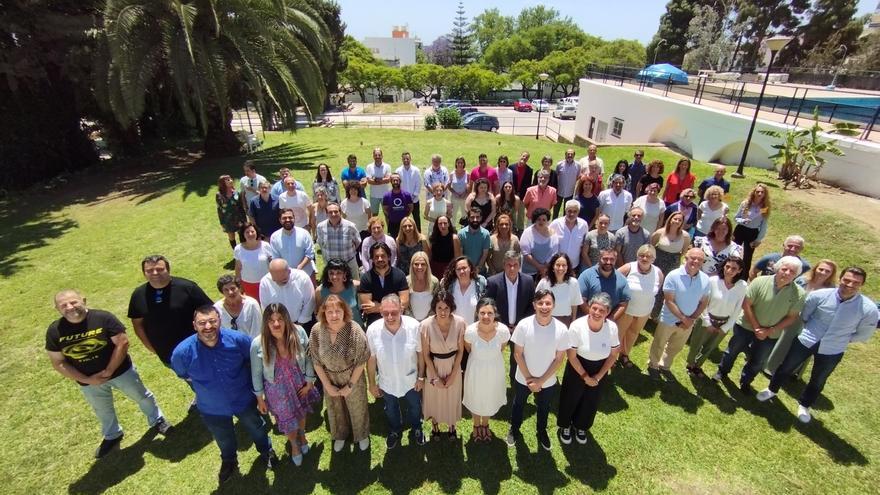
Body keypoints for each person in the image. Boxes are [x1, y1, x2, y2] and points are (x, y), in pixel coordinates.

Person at [47, 290, 171, 459]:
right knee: (102, 410)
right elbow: (58, 362)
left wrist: (109, 370)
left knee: (142, 396)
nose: (70, 307)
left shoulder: (102, 318)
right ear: (57, 309)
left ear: (83, 300)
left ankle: (157, 420)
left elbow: (122, 343)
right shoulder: (55, 331)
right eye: (64, 305)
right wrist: (87, 379)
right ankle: (112, 435)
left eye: (74, 302)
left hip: (121, 372)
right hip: (89, 381)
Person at [171, 305, 278, 483]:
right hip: (212, 407)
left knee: (257, 427)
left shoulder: (239, 340)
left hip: (243, 399)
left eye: (212, 321)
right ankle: (229, 460)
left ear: (220, 320)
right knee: (223, 437)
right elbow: (183, 374)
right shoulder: (182, 353)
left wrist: (258, 393)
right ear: (194, 325)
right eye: (202, 323)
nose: (208, 327)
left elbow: (251, 363)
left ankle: (266, 451)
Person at [757, 267, 879, 423]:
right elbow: (806, 315)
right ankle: (772, 389)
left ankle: (804, 405)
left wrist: (844, 339)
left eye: (855, 283)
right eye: (846, 280)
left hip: (834, 349)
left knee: (819, 379)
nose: (849, 285)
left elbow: (864, 333)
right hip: (807, 339)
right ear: (840, 279)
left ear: (861, 284)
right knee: (786, 366)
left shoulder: (868, 309)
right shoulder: (819, 295)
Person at [713, 256, 806, 394]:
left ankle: (746, 382)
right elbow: (747, 304)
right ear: (777, 268)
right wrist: (757, 327)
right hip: (745, 326)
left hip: (771, 334)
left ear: (796, 275)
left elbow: (792, 317)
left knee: (758, 361)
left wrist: (770, 330)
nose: (787, 273)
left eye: (792, 272)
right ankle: (722, 372)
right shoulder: (759, 281)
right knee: (731, 351)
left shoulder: (799, 293)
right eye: (784, 269)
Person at [250, 303, 320, 466]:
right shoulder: (257, 344)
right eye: (271, 320)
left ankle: (302, 435)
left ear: (286, 319)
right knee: (287, 419)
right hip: (276, 389)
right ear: (266, 323)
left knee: (301, 413)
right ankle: (294, 444)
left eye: (280, 319)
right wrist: (260, 398)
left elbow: (309, 358)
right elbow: (256, 373)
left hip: (298, 382)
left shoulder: (299, 332)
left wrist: (309, 381)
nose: (276, 324)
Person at [506, 289, 569, 451]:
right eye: (540, 303)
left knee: (544, 407)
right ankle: (514, 429)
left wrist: (540, 381)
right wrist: (529, 379)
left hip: (547, 381)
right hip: (523, 378)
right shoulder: (524, 325)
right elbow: (518, 354)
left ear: (554, 305)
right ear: (534, 305)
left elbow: (559, 358)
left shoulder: (562, 329)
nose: (544, 306)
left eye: (548, 303)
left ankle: (541, 432)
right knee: (518, 404)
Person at [557, 293, 620, 446]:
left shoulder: (612, 328)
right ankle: (565, 426)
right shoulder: (577, 326)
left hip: (600, 368)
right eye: (594, 308)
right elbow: (571, 356)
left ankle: (581, 426)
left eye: (602, 310)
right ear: (589, 308)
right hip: (577, 367)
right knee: (570, 398)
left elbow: (613, 355)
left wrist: (598, 377)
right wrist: (585, 376)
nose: (597, 313)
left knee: (591, 400)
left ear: (608, 312)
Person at [128, 255, 213, 369]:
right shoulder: (138, 295)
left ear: (168, 269)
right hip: (168, 354)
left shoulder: (187, 287)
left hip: (199, 348)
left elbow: (209, 311)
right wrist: (150, 347)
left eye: (160, 269)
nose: (155, 273)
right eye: (149, 271)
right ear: (144, 273)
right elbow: (137, 323)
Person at [310, 295, 370, 452]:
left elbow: (362, 360)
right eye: (329, 312)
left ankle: (361, 434)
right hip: (329, 377)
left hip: (352, 376)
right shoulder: (317, 330)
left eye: (338, 311)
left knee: (358, 407)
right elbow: (316, 361)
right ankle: (340, 434)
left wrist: (350, 385)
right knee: (335, 407)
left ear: (345, 311)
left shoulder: (354, 330)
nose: (334, 315)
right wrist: (327, 385)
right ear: (324, 313)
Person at [366, 295, 426, 448]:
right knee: (390, 408)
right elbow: (371, 359)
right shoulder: (373, 330)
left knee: (415, 406)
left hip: (410, 379)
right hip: (387, 381)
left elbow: (420, 353)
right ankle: (395, 430)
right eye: (385, 313)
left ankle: (417, 428)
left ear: (401, 309)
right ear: (380, 311)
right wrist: (372, 384)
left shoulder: (414, 326)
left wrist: (421, 377)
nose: (390, 317)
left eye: (394, 312)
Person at [764, 259, 837, 376]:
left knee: (801, 347)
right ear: (815, 269)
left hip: (811, 322)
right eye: (821, 269)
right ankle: (770, 367)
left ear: (831, 274)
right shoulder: (802, 281)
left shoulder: (832, 290)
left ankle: (792, 371)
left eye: (827, 271)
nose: (823, 273)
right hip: (792, 317)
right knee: (783, 342)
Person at [647, 248, 711, 381]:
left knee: (676, 346)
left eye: (700, 259)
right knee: (659, 342)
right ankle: (653, 365)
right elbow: (669, 300)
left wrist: (691, 319)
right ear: (686, 258)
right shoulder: (673, 275)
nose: (696, 261)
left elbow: (704, 302)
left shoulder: (705, 279)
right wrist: (683, 318)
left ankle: (665, 365)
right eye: (693, 258)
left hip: (689, 322)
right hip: (669, 318)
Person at [684, 257, 748, 378]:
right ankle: (690, 364)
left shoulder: (742, 286)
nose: (729, 270)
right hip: (706, 319)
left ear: (739, 270)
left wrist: (726, 327)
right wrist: (708, 322)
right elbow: (703, 303)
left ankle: (698, 366)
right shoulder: (713, 281)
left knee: (710, 347)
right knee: (696, 344)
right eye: (727, 267)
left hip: (724, 322)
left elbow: (738, 308)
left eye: (734, 268)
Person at [420, 290, 466, 440]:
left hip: (454, 364)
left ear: (451, 307)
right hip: (434, 366)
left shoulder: (460, 323)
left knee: (452, 396)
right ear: (434, 308)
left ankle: (452, 426)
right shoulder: (426, 325)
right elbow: (426, 355)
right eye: (439, 308)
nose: (443, 311)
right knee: (434, 397)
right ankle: (435, 426)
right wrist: (434, 377)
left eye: (446, 308)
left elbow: (460, 351)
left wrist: (453, 375)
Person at [462, 298, 510, 442]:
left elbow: (502, 347)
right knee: (475, 396)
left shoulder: (503, 331)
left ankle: (485, 424)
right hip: (476, 370)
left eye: (490, 313)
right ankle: (476, 425)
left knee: (490, 396)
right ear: (477, 313)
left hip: (495, 369)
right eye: (482, 312)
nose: (486, 317)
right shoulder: (470, 331)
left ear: (495, 313)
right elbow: (468, 348)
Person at [485, 251, 537, 381]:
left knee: (518, 357)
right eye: (509, 265)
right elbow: (489, 307)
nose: (512, 268)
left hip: (520, 328)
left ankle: (515, 379)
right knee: (494, 355)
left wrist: (520, 326)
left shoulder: (528, 281)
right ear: (504, 265)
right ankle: (492, 379)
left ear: (520, 265)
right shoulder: (493, 282)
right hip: (498, 327)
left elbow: (531, 307)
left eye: (515, 264)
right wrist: (501, 325)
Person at [616, 245, 664, 368]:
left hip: (644, 311)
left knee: (633, 333)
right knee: (618, 334)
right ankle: (611, 357)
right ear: (637, 256)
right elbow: (613, 280)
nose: (644, 258)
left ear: (653, 259)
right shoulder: (628, 268)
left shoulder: (658, 272)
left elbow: (657, 289)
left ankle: (624, 355)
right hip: (626, 309)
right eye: (642, 255)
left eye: (648, 256)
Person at [358, 242, 410, 326]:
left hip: (397, 322)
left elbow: (404, 303)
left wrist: (376, 307)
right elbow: (367, 306)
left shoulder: (400, 275)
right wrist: (394, 307)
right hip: (374, 323)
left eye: (383, 256)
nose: (380, 259)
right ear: (372, 259)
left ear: (389, 257)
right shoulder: (366, 278)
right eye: (376, 257)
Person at [650, 212, 692, 315]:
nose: (677, 221)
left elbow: (684, 251)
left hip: (673, 263)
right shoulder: (660, 232)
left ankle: (655, 314)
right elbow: (651, 245)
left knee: (666, 288)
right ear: (670, 219)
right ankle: (647, 310)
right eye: (675, 219)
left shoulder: (685, 236)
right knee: (655, 285)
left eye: (680, 220)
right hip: (658, 262)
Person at [258, 259, 315, 329]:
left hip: (302, 323)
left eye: (284, 280)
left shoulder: (302, 278)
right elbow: (266, 307)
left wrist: (300, 325)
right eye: (276, 281)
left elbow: (309, 302)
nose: (280, 283)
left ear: (289, 271)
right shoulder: (265, 282)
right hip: (278, 325)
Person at [577, 249, 630, 321]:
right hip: (587, 320)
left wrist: (608, 321)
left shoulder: (622, 280)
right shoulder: (586, 276)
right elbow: (581, 300)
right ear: (599, 258)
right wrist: (595, 318)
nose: (608, 262)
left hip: (609, 323)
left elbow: (623, 304)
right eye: (605, 259)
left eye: (612, 259)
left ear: (616, 260)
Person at [536, 253, 583, 326]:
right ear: (553, 267)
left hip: (566, 321)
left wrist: (573, 321)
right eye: (558, 265)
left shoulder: (574, 283)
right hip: (546, 321)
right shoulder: (544, 283)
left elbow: (574, 304)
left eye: (564, 265)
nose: (561, 268)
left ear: (567, 267)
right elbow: (537, 303)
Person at [316, 202, 361, 278]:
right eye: (330, 212)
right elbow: (321, 243)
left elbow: (357, 242)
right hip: (331, 267)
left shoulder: (350, 226)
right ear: (326, 214)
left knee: (354, 287)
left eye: (336, 211)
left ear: (340, 212)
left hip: (349, 264)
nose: (333, 214)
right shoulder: (320, 227)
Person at [733, 183, 771, 270]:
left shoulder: (764, 207)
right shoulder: (746, 203)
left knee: (747, 256)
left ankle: (744, 277)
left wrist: (758, 240)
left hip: (752, 232)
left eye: (762, 192)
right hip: (740, 230)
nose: (760, 194)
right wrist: (743, 221)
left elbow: (764, 225)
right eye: (758, 191)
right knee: (734, 252)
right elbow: (736, 218)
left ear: (765, 194)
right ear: (754, 192)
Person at [316, 258, 363, 328]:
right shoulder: (320, 291)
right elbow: (318, 313)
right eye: (331, 273)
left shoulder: (355, 286)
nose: (334, 276)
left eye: (339, 273)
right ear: (327, 275)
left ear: (345, 274)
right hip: (332, 331)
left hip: (355, 329)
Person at [269, 208, 316, 278]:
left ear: (294, 218)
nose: (287, 220)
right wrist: (286, 270)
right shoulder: (274, 237)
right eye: (284, 218)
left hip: (306, 273)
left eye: (290, 217)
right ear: (280, 220)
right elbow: (275, 257)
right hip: (286, 275)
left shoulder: (304, 233)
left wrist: (300, 267)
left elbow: (310, 253)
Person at [441, 256, 487, 325]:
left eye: (464, 268)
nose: (461, 271)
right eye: (458, 269)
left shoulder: (481, 283)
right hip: (454, 329)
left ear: (470, 268)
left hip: (475, 330)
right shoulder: (449, 285)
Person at [233, 223, 274, 301]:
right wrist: (239, 285)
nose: (250, 234)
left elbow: (272, 263)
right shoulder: (238, 249)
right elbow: (238, 268)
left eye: (252, 231)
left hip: (266, 282)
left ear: (256, 232)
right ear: (243, 235)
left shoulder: (265, 245)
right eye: (247, 232)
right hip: (248, 284)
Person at [550, 200, 589, 274]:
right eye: (569, 211)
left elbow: (584, 244)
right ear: (565, 210)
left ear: (578, 212)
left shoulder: (583, 225)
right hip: (557, 265)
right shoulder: (555, 224)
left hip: (573, 266)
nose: (572, 214)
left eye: (575, 211)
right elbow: (548, 242)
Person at [342, 182, 373, 259]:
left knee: (365, 252)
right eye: (351, 189)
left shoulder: (364, 202)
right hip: (350, 232)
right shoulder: (343, 203)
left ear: (358, 190)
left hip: (364, 231)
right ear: (348, 191)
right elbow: (343, 218)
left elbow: (370, 216)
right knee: (354, 254)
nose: (353, 191)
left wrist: (370, 228)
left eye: (355, 189)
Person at [216, 174, 247, 251]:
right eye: (228, 180)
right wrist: (222, 222)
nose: (231, 181)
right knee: (231, 235)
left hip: (239, 218)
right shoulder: (219, 195)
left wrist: (244, 219)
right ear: (223, 183)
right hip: (227, 220)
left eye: (231, 179)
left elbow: (241, 206)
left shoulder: (236, 193)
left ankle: (244, 250)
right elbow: (219, 209)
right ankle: (236, 251)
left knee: (242, 234)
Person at [407, 251, 439, 320]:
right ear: (412, 265)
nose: (419, 267)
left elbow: (437, 303)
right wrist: (412, 320)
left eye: (423, 264)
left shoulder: (434, 282)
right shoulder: (406, 281)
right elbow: (405, 306)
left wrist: (427, 321)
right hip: (411, 322)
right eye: (416, 264)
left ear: (427, 265)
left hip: (429, 322)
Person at [458, 208, 491, 272]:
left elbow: (485, 255)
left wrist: (477, 269)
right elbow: (460, 254)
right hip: (465, 270)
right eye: (472, 217)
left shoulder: (486, 234)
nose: (475, 220)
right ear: (468, 218)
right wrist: (467, 268)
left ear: (481, 218)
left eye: (477, 217)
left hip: (480, 270)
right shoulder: (461, 234)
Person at [396, 151, 422, 231]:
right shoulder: (398, 171)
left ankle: (419, 235)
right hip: (403, 200)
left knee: (416, 218)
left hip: (414, 200)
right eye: (404, 159)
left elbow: (419, 183)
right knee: (403, 219)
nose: (406, 160)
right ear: (402, 160)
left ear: (410, 159)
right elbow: (397, 185)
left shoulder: (416, 170)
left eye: (407, 158)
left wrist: (414, 195)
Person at [382, 173, 414, 238]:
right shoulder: (386, 196)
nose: (395, 182)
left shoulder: (406, 194)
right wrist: (390, 216)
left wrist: (406, 216)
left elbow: (411, 207)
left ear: (400, 181)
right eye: (393, 180)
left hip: (404, 223)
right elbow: (385, 209)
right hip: (392, 223)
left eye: (397, 180)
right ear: (391, 182)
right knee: (393, 241)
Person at [555, 148, 581, 219]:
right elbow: (556, 176)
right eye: (568, 154)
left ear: (574, 155)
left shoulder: (578, 165)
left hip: (570, 192)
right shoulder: (559, 164)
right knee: (555, 210)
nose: (570, 155)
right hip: (559, 191)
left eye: (571, 154)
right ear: (565, 155)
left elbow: (578, 177)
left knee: (567, 210)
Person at [366, 148, 392, 215]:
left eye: (379, 155)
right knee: (374, 214)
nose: (377, 157)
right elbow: (369, 181)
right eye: (376, 155)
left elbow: (388, 180)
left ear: (382, 156)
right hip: (374, 195)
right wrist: (382, 179)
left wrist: (375, 179)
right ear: (373, 156)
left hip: (385, 195)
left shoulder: (387, 166)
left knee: (387, 214)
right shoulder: (369, 167)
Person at [449, 156, 470, 225]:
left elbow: (470, 186)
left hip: (464, 198)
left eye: (461, 163)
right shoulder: (452, 174)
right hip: (454, 198)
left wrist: (465, 193)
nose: (460, 164)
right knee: (453, 214)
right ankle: (453, 227)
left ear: (464, 164)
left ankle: (464, 227)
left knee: (464, 214)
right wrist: (455, 193)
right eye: (458, 163)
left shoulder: (467, 174)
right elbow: (449, 186)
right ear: (456, 163)